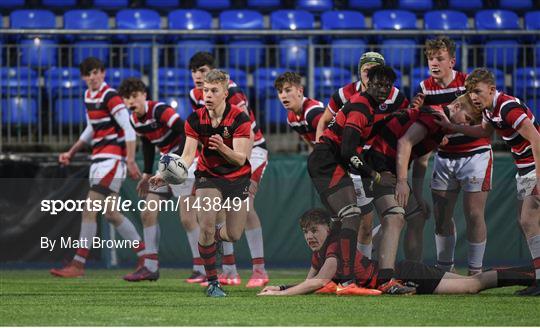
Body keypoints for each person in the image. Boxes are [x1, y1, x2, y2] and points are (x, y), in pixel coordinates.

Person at [257, 208, 535, 296]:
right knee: (471, 282)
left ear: (327, 229)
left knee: (472, 285)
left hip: (404, 275)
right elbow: (309, 281)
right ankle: (532, 274)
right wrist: (281, 286)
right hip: (403, 273)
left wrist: (279, 295)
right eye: (305, 231)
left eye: (314, 230)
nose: (309, 236)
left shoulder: (333, 246)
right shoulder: (321, 251)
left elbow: (319, 281)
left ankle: (532, 275)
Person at [434, 68, 540, 296]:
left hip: (533, 169)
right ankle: (536, 276)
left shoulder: (507, 107)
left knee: (529, 221)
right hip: (523, 170)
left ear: (492, 89)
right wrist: (452, 127)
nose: (473, 96)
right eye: (470, 91)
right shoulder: (491, 111)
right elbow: (483, 131)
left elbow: (536, 139)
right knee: (527, 226)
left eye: (478, 91)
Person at [308, 65, 413, 295]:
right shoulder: (361, 108)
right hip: (327, 162)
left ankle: (328, 277)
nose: (383, 88)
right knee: (351, 215)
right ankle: (345, 280)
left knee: (346, 218)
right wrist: (375, 176)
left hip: (333, 163)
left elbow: (357, 139)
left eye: (387, 85)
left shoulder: (368, 107)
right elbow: (347, 151)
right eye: (378, 83)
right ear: (368, 83)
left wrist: (387, 119)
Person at [151, 69, 253, 297]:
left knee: (234, 234)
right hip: (208, 176)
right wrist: (165, 174)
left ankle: (214, 237)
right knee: (205, 227)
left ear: (225, 93)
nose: (207, 95)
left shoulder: (239, 118)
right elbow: (187, 157)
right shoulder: (195, 118)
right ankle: (213, 282)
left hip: (237, 178)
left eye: (213, 91)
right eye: (205, 90)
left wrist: (222, 147)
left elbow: (240, 158)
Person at [366, 94, 478, 289]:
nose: (465, 125)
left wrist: (417, 196)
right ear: (457, 106)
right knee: (394, 217)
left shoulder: (439, 125)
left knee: (416, 217)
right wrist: (402, 181)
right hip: (376, 163)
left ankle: (413, 274)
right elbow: (405, 142)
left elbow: (421, 160)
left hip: (387, 165)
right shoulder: (434, 117)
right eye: (467, 118)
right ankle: (383, 278)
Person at [50, 57, 145, 278]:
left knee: (89, 208)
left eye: (95, 72)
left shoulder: (110, 96)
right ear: (83, 77)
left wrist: (130, 160)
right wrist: (71, 152)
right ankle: (146, 255)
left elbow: (129, 129)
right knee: (111, 213)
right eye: (88, 74)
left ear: (103, 73)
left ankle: (78, 264)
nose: (92, 77)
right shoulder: (88, 96)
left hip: (112, 161)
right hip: (99, 160)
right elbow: (91, 129)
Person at [412, 37, 492, 275]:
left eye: (440, 58)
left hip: (475, 154)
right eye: (430, 58)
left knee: (474, 214)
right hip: (444, 156)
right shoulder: (424, 88)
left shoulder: (468, 83)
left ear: (452, 61)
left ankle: (475, 272)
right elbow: (421, 124)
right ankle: (445, 270)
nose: (434, 63)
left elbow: (485, 117)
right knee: (441, 215)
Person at [188, 52, 269, 287]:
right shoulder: (198, 96)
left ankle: (259, 270)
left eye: (203, 71)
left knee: (247, 204)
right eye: (194, 71)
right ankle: (230, 271)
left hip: (250, 151)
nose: (198, 76)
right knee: (216, 211)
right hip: (223, 152)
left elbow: (247, 133)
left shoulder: (231, 91)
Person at [118, 77, 187, 282]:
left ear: (144, 95)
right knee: (148, 212)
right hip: (167, 163)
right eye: (127, 98)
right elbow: (148, 143)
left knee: (188, 218)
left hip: (186, 161)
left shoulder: (159, 110)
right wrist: (147, 174)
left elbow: (186, 131)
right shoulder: (134, 120)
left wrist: (178, 162)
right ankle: (150, 266)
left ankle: (202, 269)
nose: (132, 101)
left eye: (135, 96)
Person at [274, 72, 325, 149]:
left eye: (288, 90)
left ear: (300, 91)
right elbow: (314, 146)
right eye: (280, 92)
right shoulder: (291, 119)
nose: (283, 96)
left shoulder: (313, 113)